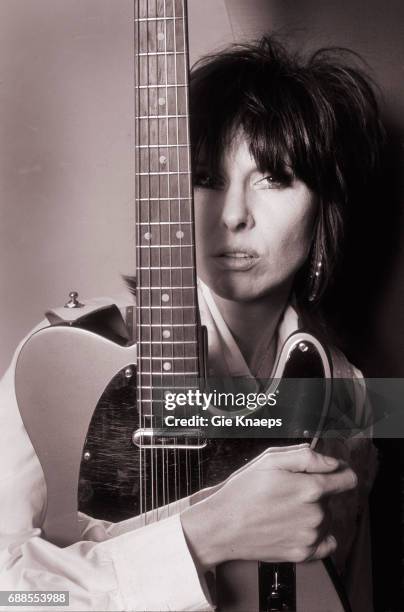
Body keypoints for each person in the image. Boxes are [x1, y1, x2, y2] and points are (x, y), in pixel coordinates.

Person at [0, 36, 382, 611]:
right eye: (206, 178)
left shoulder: (345, 391)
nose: (233, 216)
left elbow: (344, 588)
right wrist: (203, 536)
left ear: (323, 203)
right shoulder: (67, 365)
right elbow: (12, 591)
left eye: (274, 177)